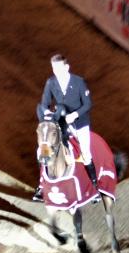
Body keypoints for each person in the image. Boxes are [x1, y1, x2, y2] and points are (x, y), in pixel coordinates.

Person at [34, 53, 97, 202]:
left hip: (79, 122)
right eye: (54, 69)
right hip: (61, 120)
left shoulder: (78, 82)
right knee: (44, 147)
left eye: (59, 69)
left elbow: (88, 104)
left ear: (67, 67)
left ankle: (95, 186)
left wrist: (74, 115)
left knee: (86, 153)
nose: (56, 72)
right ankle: (42, 186)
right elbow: (44, 103)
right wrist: (47, 112)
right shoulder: (51, 82)